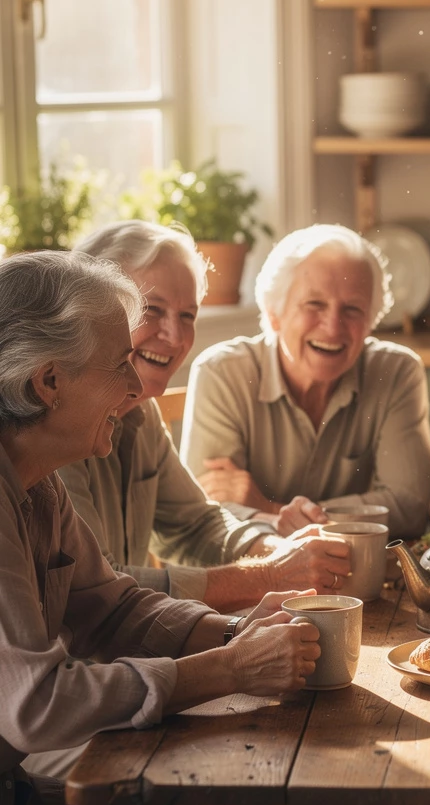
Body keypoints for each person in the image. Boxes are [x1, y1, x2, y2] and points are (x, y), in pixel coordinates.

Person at [0, 252, 321, 805]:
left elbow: (112, 607)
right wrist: (231, 667)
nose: (136, 387)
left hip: (15, 798)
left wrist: (236, 632)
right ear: (49, 381)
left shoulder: (36, 485)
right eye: (120, 363)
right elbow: (35, 707)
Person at [57, 221, 351, 611]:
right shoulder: (52, 423)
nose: (176, 338)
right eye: (152, 309)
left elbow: (196, 525)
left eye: (188, 316)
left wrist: (276, 549)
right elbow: (98, 589)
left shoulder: (140, 412)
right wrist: (270, 574)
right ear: (91, 310)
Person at [180, 224, 430, 540]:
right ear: (274, 313)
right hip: (253, 577)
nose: (332, 326)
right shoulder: (222, 373)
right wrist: (328, 520)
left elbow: (409, 508)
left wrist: (271, 510)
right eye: (314, 304)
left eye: (353, 309)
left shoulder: (396, 371)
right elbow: (203, 517)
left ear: (371, 321)